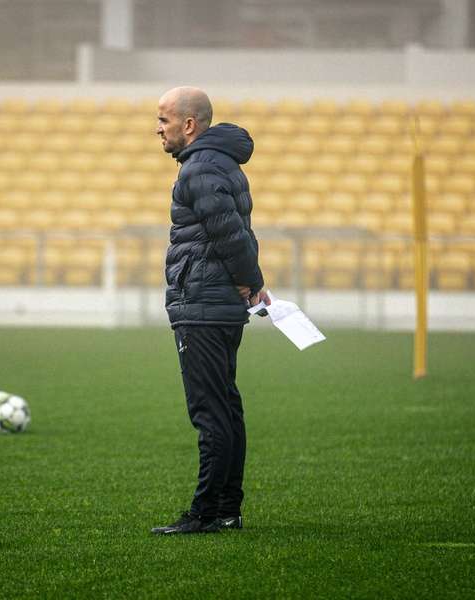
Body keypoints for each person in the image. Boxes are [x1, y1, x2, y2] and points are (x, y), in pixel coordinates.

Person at [150, 86, 270, 535]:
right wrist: (249, 282)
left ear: (188, 124)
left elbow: (228, 233)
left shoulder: (198, 169)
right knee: (226, 409)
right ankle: (225, 509)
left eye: (163, 120)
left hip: (203, 305)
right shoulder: (220, 163)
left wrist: (249, 281)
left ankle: (205, 513)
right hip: (215, 304)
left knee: (210, 413)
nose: (157, 129)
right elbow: (235, 231)